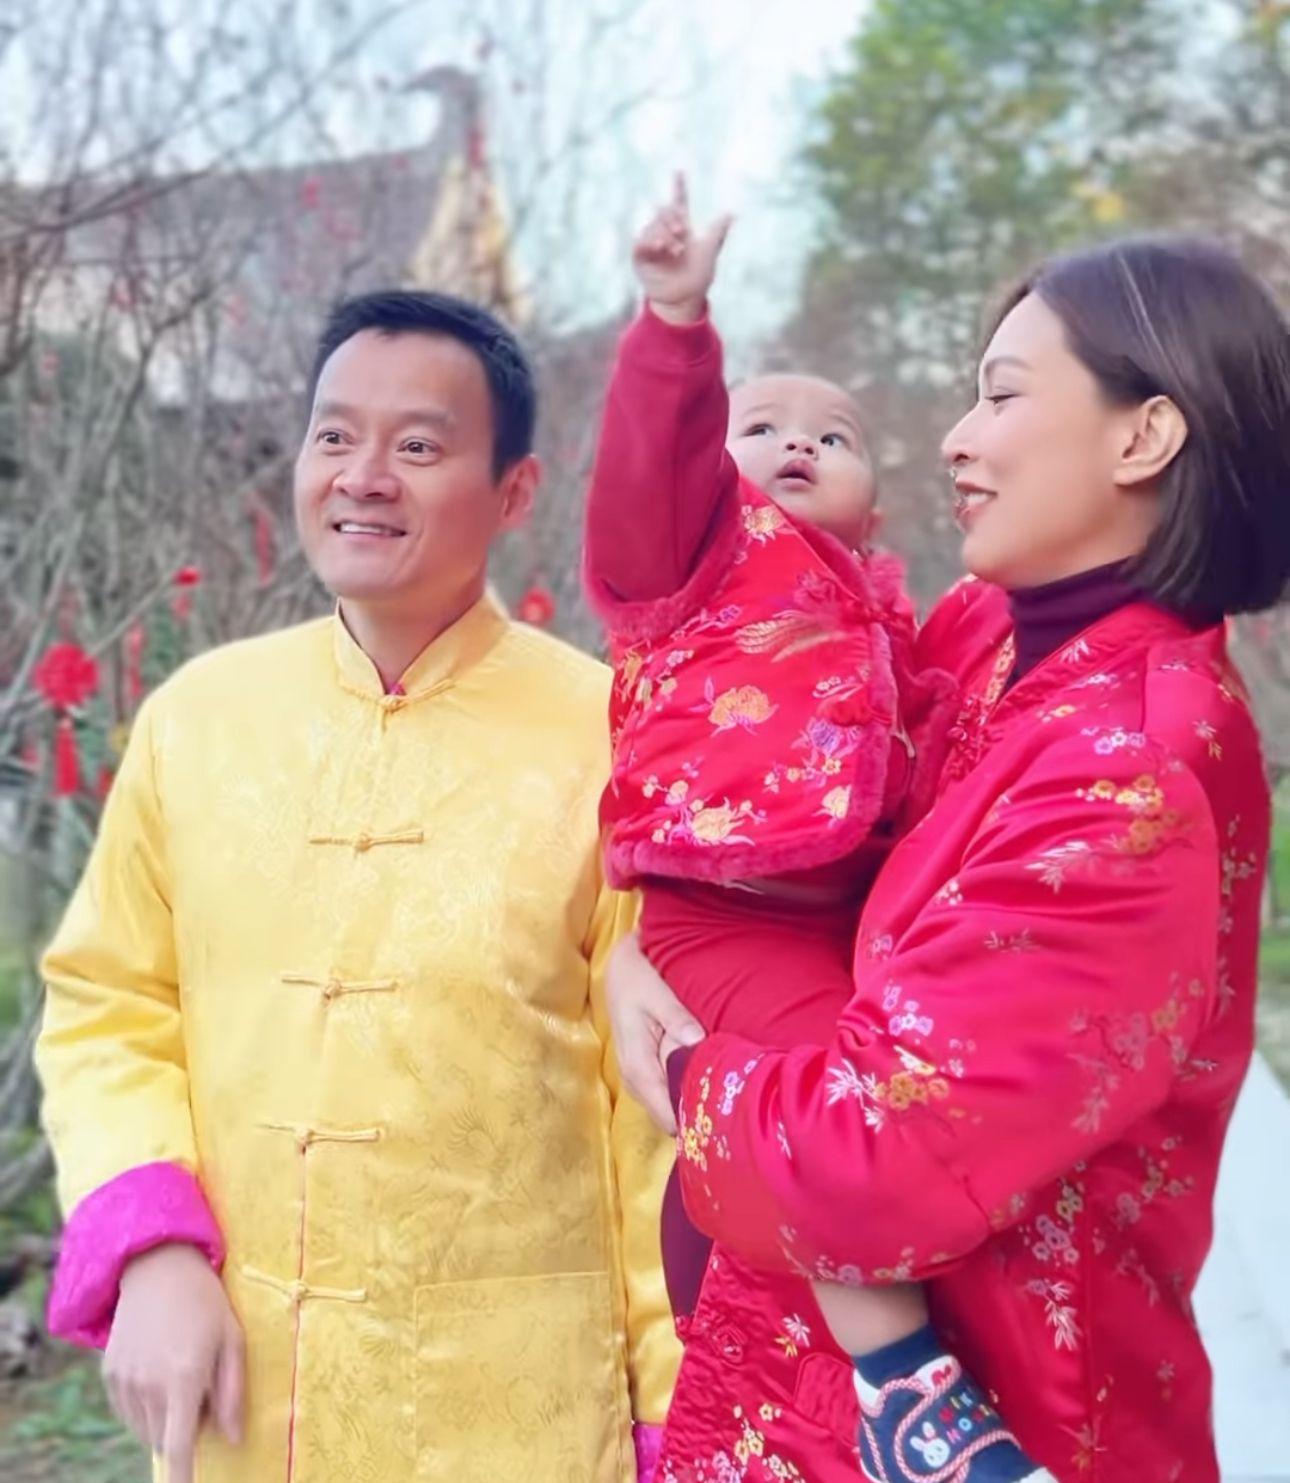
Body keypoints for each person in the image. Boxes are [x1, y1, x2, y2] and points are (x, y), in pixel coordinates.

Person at [607, 235, 1290, 1482]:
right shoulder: (990, 639)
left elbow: (871, 1162)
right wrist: (663, 928)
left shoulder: (1133, 767)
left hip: (1010, 1417)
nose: (956, 441)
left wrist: (677, 1050)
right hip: (802, 1387)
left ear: (1144, 436)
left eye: (1002, 395)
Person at [35, 290, 679, 1483]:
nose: (364, 476)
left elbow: (654, 1123)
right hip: (245, 1403)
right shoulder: (198, 723)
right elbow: (108, 1001)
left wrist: (674, 1416)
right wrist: (150, 1246)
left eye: (418, 445)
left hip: (524, 1420)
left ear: (514, 492)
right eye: (334, 436)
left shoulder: (614, 741)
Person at [584, 177, 1047, 1483]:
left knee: (857, 1116)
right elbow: (649, 468)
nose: (797, 443)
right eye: (762, 427)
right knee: (830, 1113)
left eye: (832, 437)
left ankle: (760, 1272)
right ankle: (904, 1386)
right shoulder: (691, 569)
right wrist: (677, 329)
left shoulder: (886, 621)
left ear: (874, 507)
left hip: (833, 920)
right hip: (716, 913)